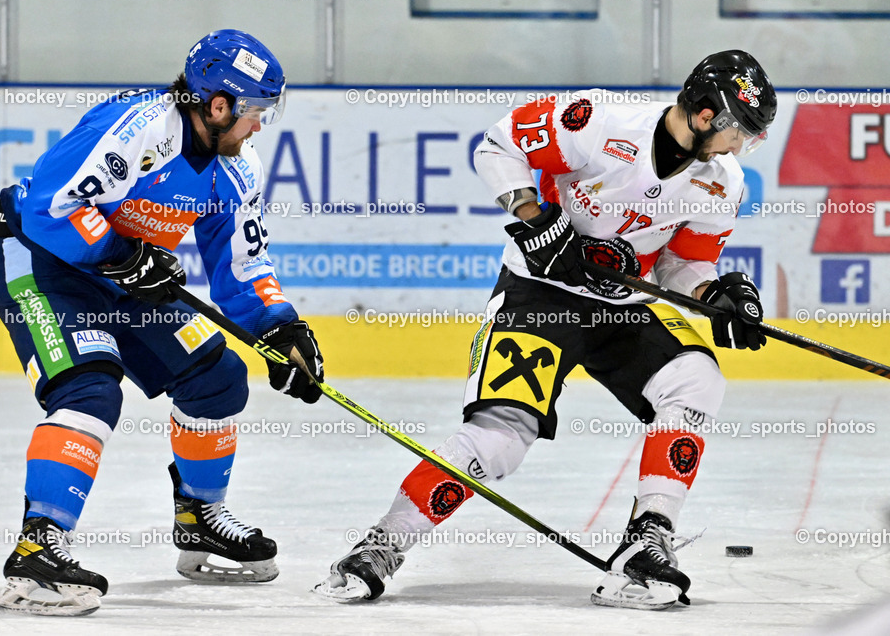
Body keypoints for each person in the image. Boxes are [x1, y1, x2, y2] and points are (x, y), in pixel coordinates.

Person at [315, 50, 776, 610]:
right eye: (740, 132)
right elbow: (498, 144)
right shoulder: (599, 124)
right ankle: (381, 546)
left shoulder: (721, 182)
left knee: (696, 381)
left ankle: (647, 538)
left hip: (618, 308)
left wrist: (713, 295)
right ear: (706, 115)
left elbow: (682, 264)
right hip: (539, 297)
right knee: (499, 438)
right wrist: (537, 220)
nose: (740, 146)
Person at [0, 29, 324, 616]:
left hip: (122, 272)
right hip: (42, 260)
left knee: (217, 377)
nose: (259, 127)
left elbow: (243, 263)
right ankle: (37, 548)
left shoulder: (237, 167)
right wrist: (120, 255)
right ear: (217, 106)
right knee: (90, 388)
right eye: (254, 113)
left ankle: (198, 518)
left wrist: (280, 327)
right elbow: (51, 207)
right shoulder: (137, 130)